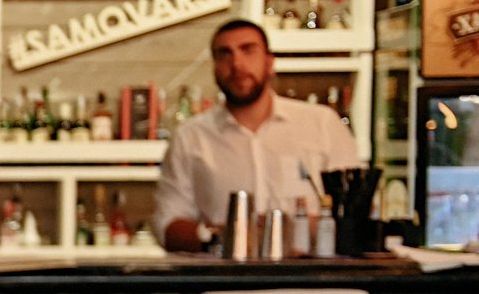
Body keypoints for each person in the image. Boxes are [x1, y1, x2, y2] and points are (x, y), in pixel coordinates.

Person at [155, 18, 361, 252]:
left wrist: (304, 228)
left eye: (248, 50)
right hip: (225, 274)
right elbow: (167, 227)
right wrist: (224, 234)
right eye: (224, 54)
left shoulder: (322, 124)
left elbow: (355, 213)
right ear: (215, 68)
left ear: (269, 62)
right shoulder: (190, 137)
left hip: (310, 273)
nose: (237, 63)